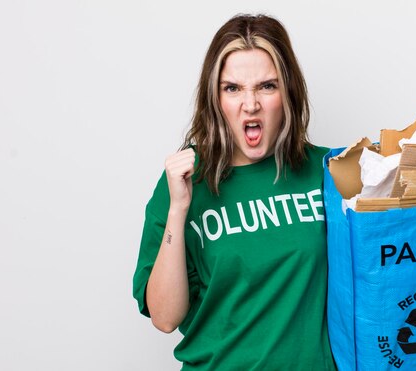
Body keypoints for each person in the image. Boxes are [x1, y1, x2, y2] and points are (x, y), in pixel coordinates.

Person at [133, 14, 336, 370]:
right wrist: (179, 210)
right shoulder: (184, 182)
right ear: (215, 99)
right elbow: (165, 318)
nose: (251, 103)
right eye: (233, 88)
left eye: (267, 86)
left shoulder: (328, 172)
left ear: (288, 93)